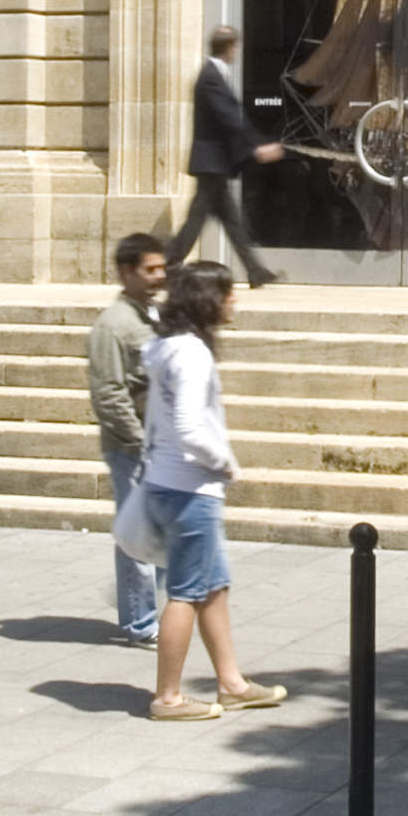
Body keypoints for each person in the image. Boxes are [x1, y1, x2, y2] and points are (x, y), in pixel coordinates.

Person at [137, 263, 288, 721]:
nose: (233, 302)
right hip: (190, 488)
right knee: (185, 592)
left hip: (167, 482)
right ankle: (168, 698)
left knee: (214, 586)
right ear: (207, 300)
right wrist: (224, 461)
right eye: (226, 294)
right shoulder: (193, 353)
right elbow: (187, 427)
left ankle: (232, 683)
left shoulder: (161, 348)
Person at [86, 233, 170, 647]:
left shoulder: (151, 314)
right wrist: (139, 443)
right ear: (126, 271)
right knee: (138, 535)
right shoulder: (113, 325)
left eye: (161, 268)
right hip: (131, 448)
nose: (159, 276)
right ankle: (141, 623)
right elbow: (109, 394)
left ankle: (161, 611)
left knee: (162, 531)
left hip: (158, 444)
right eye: (150, 269)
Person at [175, 25, 286, 288]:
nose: (237, 51)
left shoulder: (213, 74)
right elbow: (230, 118)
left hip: (214, 163)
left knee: (232, 222)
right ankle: (169, 263)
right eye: (235, 46)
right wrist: (256, 147)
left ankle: (255, 271)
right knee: (197, 221)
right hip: (211, 163)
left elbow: (230, 118)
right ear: (228, 47)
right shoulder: (211, 76)